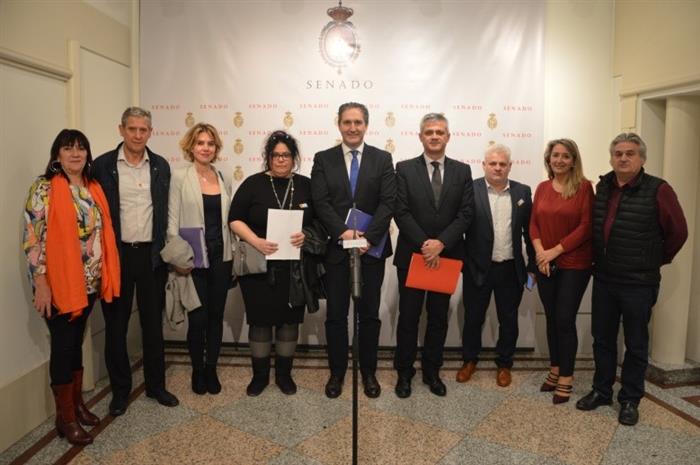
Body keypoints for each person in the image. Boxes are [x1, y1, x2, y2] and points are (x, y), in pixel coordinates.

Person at [576, 133, 687, 425]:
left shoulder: (659, 189)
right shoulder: (603, 187)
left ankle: (630, 399)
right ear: (611, 157)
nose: (623, 158)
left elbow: (678, 232)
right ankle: (601, 391)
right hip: (604, 278)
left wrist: (653, 258)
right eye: (618, 153)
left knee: (636, 343)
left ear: (642, 158)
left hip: (639, 282)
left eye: (630, 153)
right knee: (602, 339)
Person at [23, 129, 121, 445]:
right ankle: (65, 419)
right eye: (68, 148)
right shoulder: (44, 188)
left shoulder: (92, 187)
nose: (75, 153)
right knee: (63, 347)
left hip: (89, 284)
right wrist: (41, 283)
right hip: (59, 285)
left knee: (75, 343)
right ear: (57, 155)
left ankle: (76, 406)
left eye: (81, 148)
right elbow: (32, 238)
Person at [92, 107, 179, 416]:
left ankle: (156, 386)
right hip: (117, 256)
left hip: (151, 256)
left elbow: (167, 211)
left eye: (144, 130)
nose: (138, 135)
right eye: (132, 129)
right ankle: (120, 391)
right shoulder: (102, 166)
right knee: (116, 326)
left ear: (150, 132)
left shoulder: (160, 165)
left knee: (152, 325)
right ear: (121, 130)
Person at [311, 102, 396, 399]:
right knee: (336, 315)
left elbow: (388, 201)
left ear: (366, 125)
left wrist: (368, 238)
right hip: (336, 250)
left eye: (358, 122)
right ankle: (337, 372)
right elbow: (320, 202)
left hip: (371, 251)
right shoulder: (323, 159)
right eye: (347, 122)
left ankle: (368, 372)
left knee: (369, 315)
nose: (352, 127)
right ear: (339, 124)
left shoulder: (383, 158)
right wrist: (344, 232)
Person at [229, 130, 316, 396]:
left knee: (289, 322)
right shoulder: (253, 183)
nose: (280, 159)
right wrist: (255, 241)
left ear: (294, 158)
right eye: (275, 155)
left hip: (294, 269)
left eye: (286, 155)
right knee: (260, 322)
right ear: (268, 157)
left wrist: (307, 235)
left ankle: (284, 376)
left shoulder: (306, 185)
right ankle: (260, 377)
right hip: (258, 266)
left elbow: (319, 222)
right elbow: (234, 218)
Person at [393, 113, 473, 398]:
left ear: (448, 136)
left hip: (446, 256)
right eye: (429, 132)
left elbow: (466, 213)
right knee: (409, 317)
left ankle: (432, 371)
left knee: (438, 318)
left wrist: (442, 243)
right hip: (413, 256)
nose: (435, 136)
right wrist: (426, 244)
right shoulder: (404, 168)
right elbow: (400, 211)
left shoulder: (462, 171)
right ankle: (404, 372)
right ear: (420, 137)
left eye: (440, 132)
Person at [458, 143, 535, 387]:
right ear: (484, 165)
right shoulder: (470, 189)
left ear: (510, 166)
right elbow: (459, 226)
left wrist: (532, 266)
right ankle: (469, 360)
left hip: (510, 268)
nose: (498, 168)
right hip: (477, 268)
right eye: (493, 163)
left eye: (503, 164)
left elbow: (529, 232)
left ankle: (504, 364)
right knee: (473, 318)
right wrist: (464, 262)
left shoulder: (522, 192)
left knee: (509, 320)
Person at [165, 123, 232, 395]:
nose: (206, 148)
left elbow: (228, 221)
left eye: (210, 143)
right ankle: (197, 370)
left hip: (221, 257)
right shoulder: (180, 177)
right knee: (198, 317)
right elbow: (172, 220)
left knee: (216, 316)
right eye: (200, 143)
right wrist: (176, 257)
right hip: (193, 259)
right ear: (191, 146)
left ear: (216, 148)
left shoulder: (223, 176)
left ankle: (211, 369)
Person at [529, 138, 594, 404]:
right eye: (555, 155)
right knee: (552, 318)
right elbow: (533, 224)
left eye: (566, 156)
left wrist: (554, 251)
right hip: (545, 261)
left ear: (573, 160)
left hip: (574, 263)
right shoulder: (542, 187)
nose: (559, 160)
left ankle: (567, 376)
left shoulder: (584, 187)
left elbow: (586, 227)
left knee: (565, 320)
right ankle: (555, 368)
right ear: (549, 159)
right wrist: (540, 252)